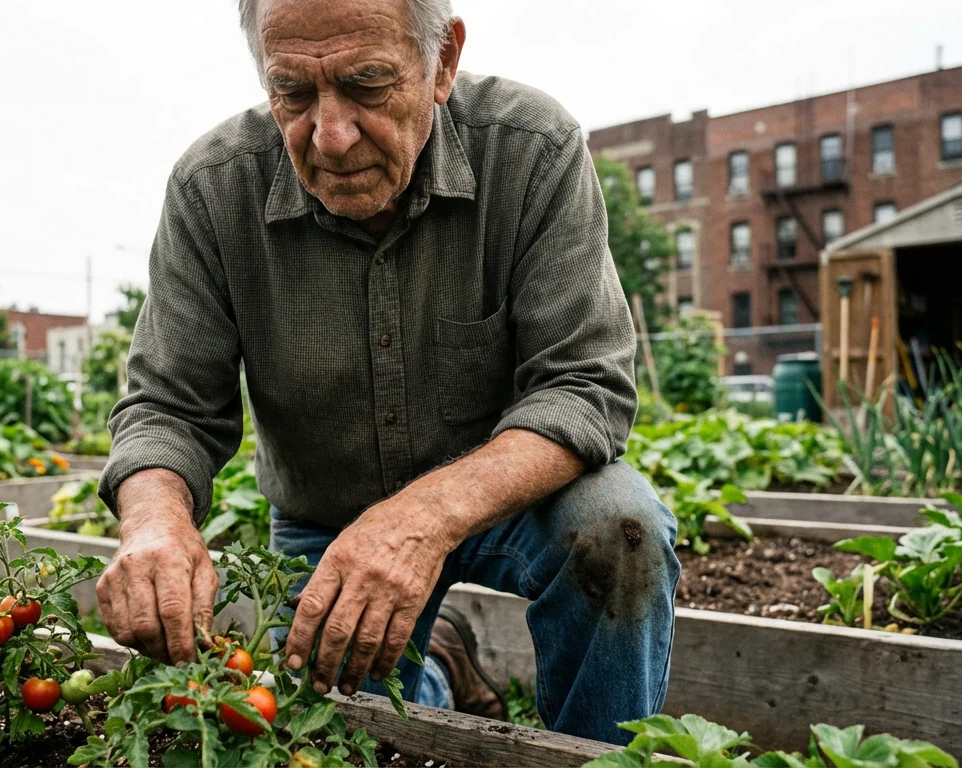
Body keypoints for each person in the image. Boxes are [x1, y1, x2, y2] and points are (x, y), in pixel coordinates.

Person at [94, 0, 680, 744]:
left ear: (442, 62)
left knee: (619, 530)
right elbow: (165, 407)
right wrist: (154, 525)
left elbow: (586, 385)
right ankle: (438, 666)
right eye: (294, 93)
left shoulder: (531, 150)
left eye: (368, 85)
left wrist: (420, 519)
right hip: (327, 517)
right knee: (343, 736)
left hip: (518, 498)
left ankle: (602, 757)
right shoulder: (214, 189)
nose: (331, 136)